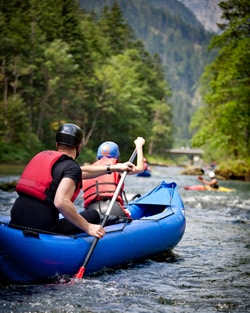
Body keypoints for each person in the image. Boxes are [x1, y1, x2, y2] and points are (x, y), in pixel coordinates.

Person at [9, 123, 134, 237]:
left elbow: (81, 171)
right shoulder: (71, 167)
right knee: (93, 214)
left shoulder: (44, 157)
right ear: (79, 147)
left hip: (15, 220)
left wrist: (113, 168)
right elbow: (61, 202)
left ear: (57, 144)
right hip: (44, 228)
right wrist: (88, 227)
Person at [81, 137, 145, 225]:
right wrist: (139, 146)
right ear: (117, 156)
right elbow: (141, 168)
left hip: (91, 213)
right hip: (114, 210)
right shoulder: (118, 166)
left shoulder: (90, 170)